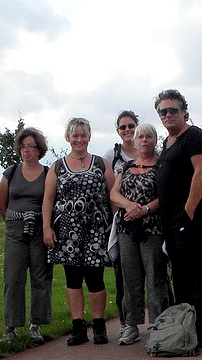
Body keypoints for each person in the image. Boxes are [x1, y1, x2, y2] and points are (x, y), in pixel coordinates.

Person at [43, 117, 115, 346]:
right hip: (67, 232)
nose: (79, 139)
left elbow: (113, 194)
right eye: (75, 135)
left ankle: (99, 326)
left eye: (83, 135)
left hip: (96, 229)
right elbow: (48, 198)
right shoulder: (57, 166)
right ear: (68, 138)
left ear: (89, 137)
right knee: (72, 279)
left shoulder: (101, 163)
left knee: (96, 278)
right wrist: (46, 227)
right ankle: (78, 327)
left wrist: (114, 221)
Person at [154, 89, 202, 348]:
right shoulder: (167, 142)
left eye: (173, 110)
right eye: (163, 111)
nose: (168, 115)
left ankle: (200, 332)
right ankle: (184, 329)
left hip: (190, 217)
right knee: (179, 276)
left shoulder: (195, 137)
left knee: (194, 274)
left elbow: (201, 173)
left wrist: (187, 212)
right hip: (170, 219)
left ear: (184, 111)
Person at [109, 123, 169, 345]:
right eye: (140, 136)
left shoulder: (162, 166)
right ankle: (131, 325)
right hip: (127, 230)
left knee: (155, 276)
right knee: (130, 278)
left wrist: (144, 209)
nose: (144, 140)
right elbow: (114, 193)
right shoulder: (126, 167)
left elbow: (166, 195)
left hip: (152, 229)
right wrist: (130, 206)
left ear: (155, 140)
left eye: (149, 136)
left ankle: (158, 323)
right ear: (135, 141)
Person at [0, 128, 53, 345]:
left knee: (41, 277)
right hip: (15, 230)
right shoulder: (10, 173)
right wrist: (15, 221)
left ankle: (36, 325)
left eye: (30, 146)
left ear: (39, 149)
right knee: (13, 279)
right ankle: (11, 327)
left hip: (41, 229)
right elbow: (1, 205)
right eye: (22, 146)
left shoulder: (49, 173)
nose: (26, 150)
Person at [103, 110, 139, 337]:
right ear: (118, 131)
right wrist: (113, 218)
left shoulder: (148, 150)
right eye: (123, 127)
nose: (127, 130)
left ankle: (163, 319)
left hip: (149, 218)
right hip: (121, 222)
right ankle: (126, 322)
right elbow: (107, 189)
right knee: (123, 274)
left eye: (131, 126)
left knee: (156, 272)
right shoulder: (111, 156)